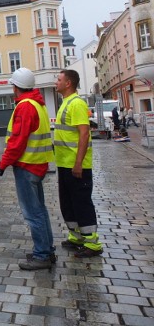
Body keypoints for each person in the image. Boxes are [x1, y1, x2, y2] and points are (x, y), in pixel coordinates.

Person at [0, 67, 55, 270]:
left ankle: (42, 255)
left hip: (27, 166)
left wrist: (2, 164)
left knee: (33, 213)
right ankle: (47, 250)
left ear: (16, 87)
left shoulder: (25, 107)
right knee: (41, 210)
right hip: (37, 165)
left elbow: (17, 141)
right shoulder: (37, 104)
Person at [54, 70, 103, 258]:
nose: (56, 82)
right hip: (65, 163)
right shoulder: (65, 103)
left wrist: (78, 163)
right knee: (68, 204)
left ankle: (92, 243)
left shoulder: (76, 104)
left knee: (81, 203)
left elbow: (84, 133)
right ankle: (77, 237)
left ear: (68, 83)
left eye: (59, 79)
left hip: (76, 165)